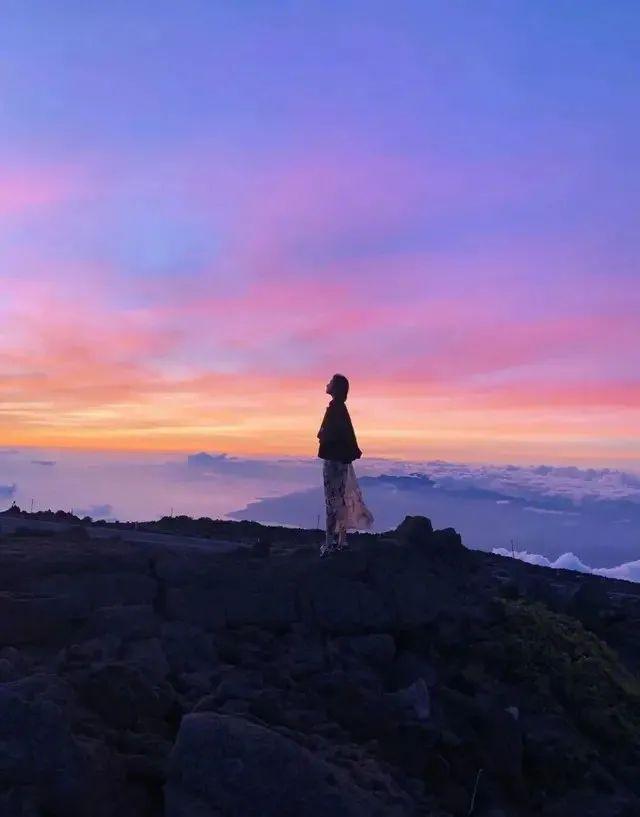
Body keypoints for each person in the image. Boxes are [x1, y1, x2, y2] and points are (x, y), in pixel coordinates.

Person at [317, 374, 374, 556]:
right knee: (339, 500)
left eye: (330, 382)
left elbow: (328, 435)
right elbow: (347, 436)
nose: (327, 384)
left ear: (335, 388)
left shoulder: (335, 409)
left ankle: (330, 543)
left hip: (333, 462)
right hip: (340, 461)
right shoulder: (341, 409)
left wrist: (322, 433)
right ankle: (341, 540)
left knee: (332, 501)